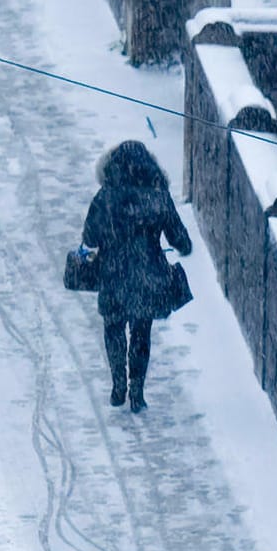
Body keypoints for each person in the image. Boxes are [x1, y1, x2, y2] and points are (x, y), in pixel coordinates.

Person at [78, 140, 192, 413]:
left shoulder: (106, 196)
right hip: (149, 276)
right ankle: (137, 390)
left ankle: (118, 383)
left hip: (114, 274)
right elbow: (180, 238)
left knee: (114, 328)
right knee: (142, 332)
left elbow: (89, 237)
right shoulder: (158, 195)